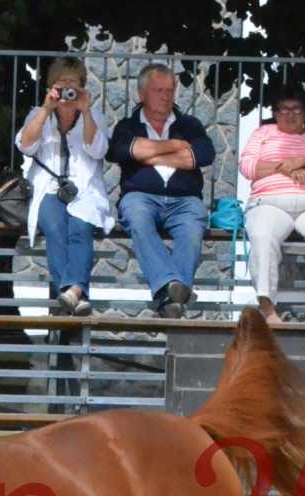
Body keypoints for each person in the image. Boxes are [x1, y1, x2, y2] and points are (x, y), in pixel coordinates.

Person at [107, 63, 215, 319]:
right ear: (142, 94)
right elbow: (120, 151)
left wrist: (147, 153)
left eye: (170, 90)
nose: (166, 96)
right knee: (136, 216)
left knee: (193, 224)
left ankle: (169, 296)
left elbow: (201, 156)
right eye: (158, 90)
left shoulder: (190, 125)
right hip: (141, 197)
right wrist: (175, 146)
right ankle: (173, 289)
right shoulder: (127, 126)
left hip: (185, 200)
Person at [239, 84, 305, 324]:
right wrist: (287, 166)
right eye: (283, 109)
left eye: (296, 109)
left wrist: (304, 161)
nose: (290, 114)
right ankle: (269, 312)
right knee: (262, 235)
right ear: (275, 114)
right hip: (269, 203)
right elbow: (248, 167)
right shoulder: (263, 134)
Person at [15, 57, 111, 317]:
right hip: (48, 189)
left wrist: (86, 111)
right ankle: (76, 294)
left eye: (73, 84)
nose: (68, 90)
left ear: (82, 87)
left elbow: (98, 149)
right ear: (51, 86)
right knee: (55, 228)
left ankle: (70, 293)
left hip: (84, 189)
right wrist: (46, 109)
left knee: (80, 227)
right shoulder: (39, 114)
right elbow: (25, 145)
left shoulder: (95, 116)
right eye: (62, 83)